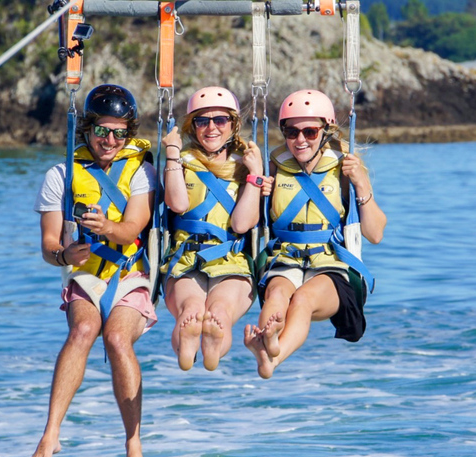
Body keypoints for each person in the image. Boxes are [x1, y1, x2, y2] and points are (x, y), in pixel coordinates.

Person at [28, 84, 157, 457]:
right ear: (86, 130)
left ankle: (133, 443)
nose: (110, 141)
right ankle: (52, 432)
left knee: (117, 339)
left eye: (120, 133)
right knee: (84, 330)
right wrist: (66, 256)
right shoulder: (61, 174)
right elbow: (49, 245)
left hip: (129, 271)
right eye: (102, 131)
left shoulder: (141, 171)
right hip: (85, 274)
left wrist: (109, 228)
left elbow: (134, 226)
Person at [244, 89, 387, 379]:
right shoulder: (275, 165)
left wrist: (361, 184)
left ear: (325, 131)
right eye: (291, 131)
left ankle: (273, 356)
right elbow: (253, 221)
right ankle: (267, 340)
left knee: (304, 299)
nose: (300, 140)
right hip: (285, 258)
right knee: (276, 294)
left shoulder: (345, 168)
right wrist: (258, 189)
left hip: (331, 265)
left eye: (309, 131)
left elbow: (375, 234)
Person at [161, 86, 273, 371]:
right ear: (193, 126)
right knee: (192, 311)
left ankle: (211, 349)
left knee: (219, 313)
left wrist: (255, 175)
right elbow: (176, 203)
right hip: (186, 258)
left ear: (233, 124)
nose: (211, 128)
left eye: (220, 120)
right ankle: (187, 348)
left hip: (232, 260)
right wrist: (172, 154)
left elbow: (241, 224)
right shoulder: (182, 161)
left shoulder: (245, 165)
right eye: (202, 121)